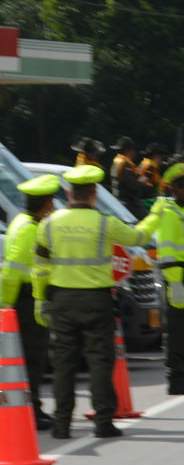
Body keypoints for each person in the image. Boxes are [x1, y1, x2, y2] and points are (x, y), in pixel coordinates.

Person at [35, 165, 145, 438]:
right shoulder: (105, 222)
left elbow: (39, 267)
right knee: (99, 360)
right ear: (94, 194)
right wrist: (156, 216)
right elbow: (137, 237)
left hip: (62, 299)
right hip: (97, 300)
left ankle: (61, 425)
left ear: (69, 193)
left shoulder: (49, 223)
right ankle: (103, 422)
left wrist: (40, 299)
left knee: (64, 363)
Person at [137, 162, 184, 395]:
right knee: (178, 330)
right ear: (170, 188)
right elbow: (167, 250)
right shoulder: (169, 214)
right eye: (180, 185)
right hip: (177, 277)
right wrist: (176, 282)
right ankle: (176, 378)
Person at [2, 172, 61, 428]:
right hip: (27, 298)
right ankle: (32, 409)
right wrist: (6, 305)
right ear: (46, 204)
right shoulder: (30, 230)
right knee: (33, 356)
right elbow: (13, 272)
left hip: (23, 297)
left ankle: (31, 405)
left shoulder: (21, 222)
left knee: (27, 355)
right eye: (52, 202)